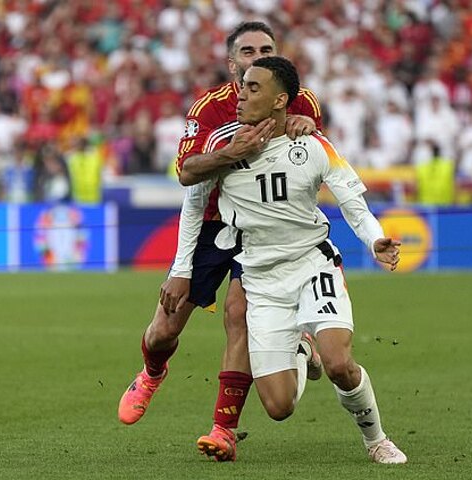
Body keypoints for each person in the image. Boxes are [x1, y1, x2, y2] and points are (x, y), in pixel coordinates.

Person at [118, 22, 323, 462]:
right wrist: (181, 269)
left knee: (238, 313)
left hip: (264, 230)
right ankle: (153, 371)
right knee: (164, 330)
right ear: (232, 64)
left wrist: (310, 129)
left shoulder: (301, 101)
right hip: (212, 225)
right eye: (248, 51)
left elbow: (313, 164)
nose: (258, 56)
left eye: (266, 49)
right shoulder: (211, 110)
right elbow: (188, 176)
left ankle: (223, 429)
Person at [208, 56, 407, 464]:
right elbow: (193, 200)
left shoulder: (313, 145)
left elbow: (352, 202)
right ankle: (301, 349)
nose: (241, 95)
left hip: (313, 265)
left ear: (280, 101)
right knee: (279, 407)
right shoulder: (222, 151)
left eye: (253, 88)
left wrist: (375, 239)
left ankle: (376, 440)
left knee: (338, 363)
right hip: (261, 282)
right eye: (242, 87)